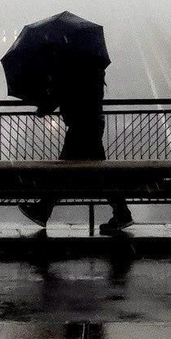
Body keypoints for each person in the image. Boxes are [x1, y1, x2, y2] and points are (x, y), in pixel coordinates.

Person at [19, 79, 133, 234]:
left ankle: (43, 210)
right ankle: (122, 212)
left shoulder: (75, 74)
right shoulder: (91, 73)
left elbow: (63, 92)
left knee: (64, 171)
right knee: (98, 173)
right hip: (89, 125)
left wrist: (44, 108)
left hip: (81, 127)